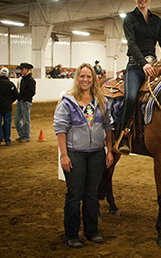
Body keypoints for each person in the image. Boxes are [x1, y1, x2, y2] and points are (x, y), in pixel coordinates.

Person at [53, 62, 114, 248]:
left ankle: (91, 231)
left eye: (89, 77)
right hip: (75, 153)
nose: (85, 80)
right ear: (77, 78)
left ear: (93, 79)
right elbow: (60, 129)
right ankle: (71, 235)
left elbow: (108, 126)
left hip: (96, 153)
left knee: (91, 194)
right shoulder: (67, 101)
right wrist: (64, 155)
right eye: (82, 76)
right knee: (74, 194)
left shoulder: (101, 101)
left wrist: (109, 150)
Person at [116, 0, 161, 154]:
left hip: (154, 65)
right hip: (135, 65)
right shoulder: (129, 19)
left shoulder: (157, 20)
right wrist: (143, 63)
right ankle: (123, 134)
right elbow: (131, 44)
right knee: (131, 98)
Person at [0, 67, 18, 146]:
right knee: (7, 123)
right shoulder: (10, 84)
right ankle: (7, 139)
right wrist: (10, 102)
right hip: (7, 107)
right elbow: (15, 95)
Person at [14, 62, 36, 143]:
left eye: (22, 69)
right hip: (21, 101)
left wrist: (24, 98)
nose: (21, 71)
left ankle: (26, 136)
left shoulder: (30, 80)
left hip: (25, 101)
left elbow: (32, 92)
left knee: (26, 120)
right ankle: (22, 135)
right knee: (17, 120)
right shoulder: (23, 79)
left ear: (27, 70)